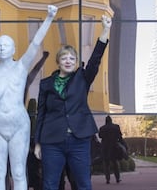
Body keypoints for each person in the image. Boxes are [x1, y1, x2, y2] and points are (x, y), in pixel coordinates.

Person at [0, 5, 58, 190]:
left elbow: (36, 43)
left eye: (5, 45)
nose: (1, 48)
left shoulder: (21, 67)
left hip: (18, 126)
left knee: (19, 172)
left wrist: (49, 17)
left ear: (13, 49)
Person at [33, 14, 112, 190]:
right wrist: (37, 142)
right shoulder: (46, 84)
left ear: (76, 62)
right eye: (64, 58)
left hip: (79, 140)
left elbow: (96, 58)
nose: (68, 61)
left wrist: (105, 30)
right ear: (58, 62)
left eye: (72, 59)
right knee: (50, 184)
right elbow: (41, 114)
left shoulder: (82, 78)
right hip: (52, 141)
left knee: (83, 184)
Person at [99, 115, 123, 184]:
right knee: (115, 163)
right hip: (114, 147)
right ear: (111, 120)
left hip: (105, 148)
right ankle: (117, 178)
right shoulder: (116, 127)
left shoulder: (102, 128)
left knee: (106, 164)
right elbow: (120, 136)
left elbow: (100, 136)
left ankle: (107, 179)